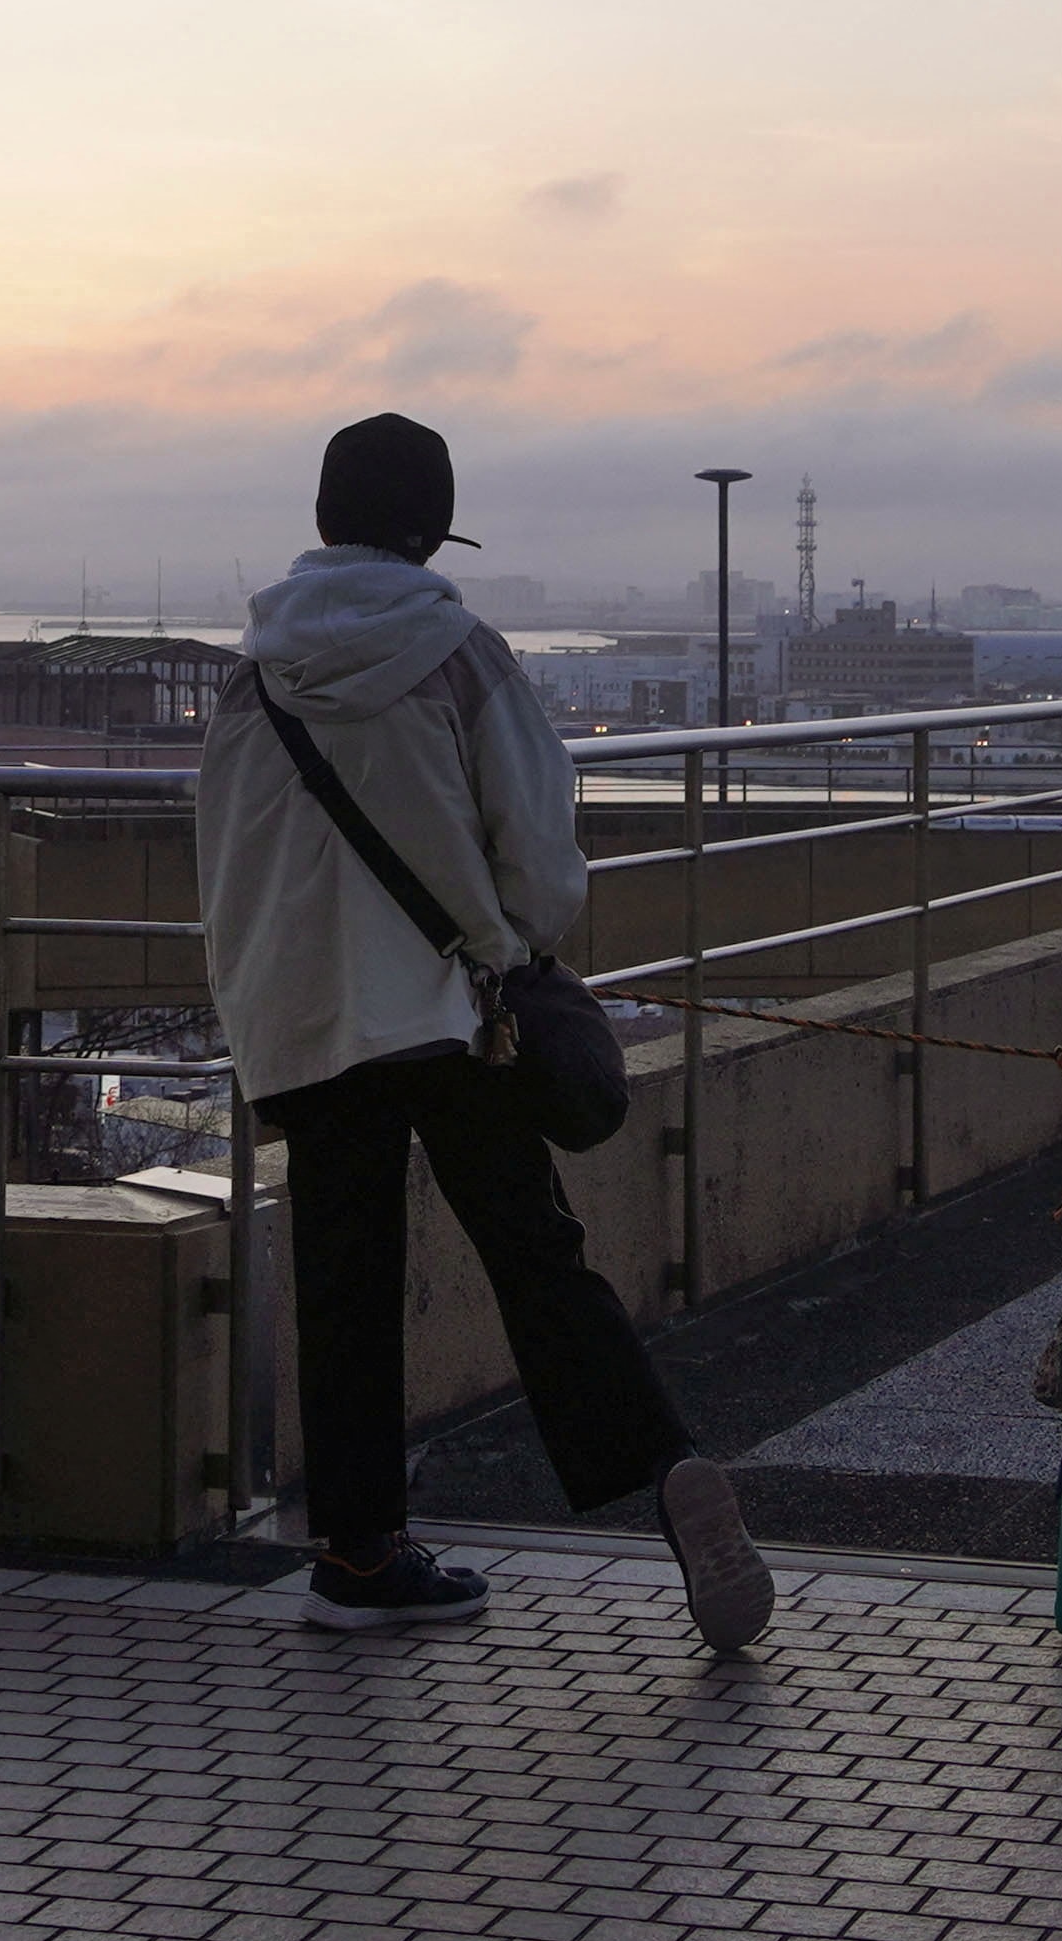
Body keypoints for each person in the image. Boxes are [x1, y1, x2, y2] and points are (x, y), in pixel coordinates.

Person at [195, 412, 772, 1652]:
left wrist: (258, 1001)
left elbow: (226, 862)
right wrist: (511, 944)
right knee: (531, 1254)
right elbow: (540, 853)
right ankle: (662, 1464)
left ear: (321, 521)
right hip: (453, 1017)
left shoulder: (246, 674)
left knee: (340, 1286)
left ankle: (355, 1557)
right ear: (424, 532)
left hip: (303, 1019)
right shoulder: (461, 654)